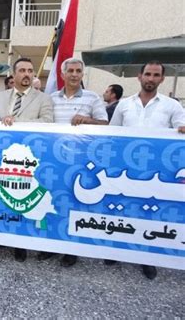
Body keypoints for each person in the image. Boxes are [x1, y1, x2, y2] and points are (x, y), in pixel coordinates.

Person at [109, 61, 185, 280]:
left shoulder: (172, 106)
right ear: (139, 77)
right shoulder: (124, 105)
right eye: (148, 74)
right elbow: (112, 134)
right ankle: (114, 251)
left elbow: (181, 129)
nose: (151, 79)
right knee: (121, 209)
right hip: (125, 168)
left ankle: (147, 258)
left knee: (149, 212)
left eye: (156, 75)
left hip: (156, 173)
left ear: (162, 79)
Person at [39, 57, 108, 267]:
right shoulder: (51, 97)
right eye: (70, 71)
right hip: (54, 161)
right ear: (62, 74)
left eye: (78, 71)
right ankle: (50, 246)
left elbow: (105, 124)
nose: (75, 74)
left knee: (74, 204)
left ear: (82, 74)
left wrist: (87, 120)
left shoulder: (92, 97)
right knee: (52, 202)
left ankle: (71, 249)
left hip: (80, 161)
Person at [0, 57, 54, 262]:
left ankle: (20, 244)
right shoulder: (0, 97)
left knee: (24, 198)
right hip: (2, 159)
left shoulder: (43, 99)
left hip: (28, 161)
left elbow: (47, 122)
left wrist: (16, 121)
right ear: (13, 75)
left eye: (30, 71)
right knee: (3, 195)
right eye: (22, 70)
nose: (26, 74)